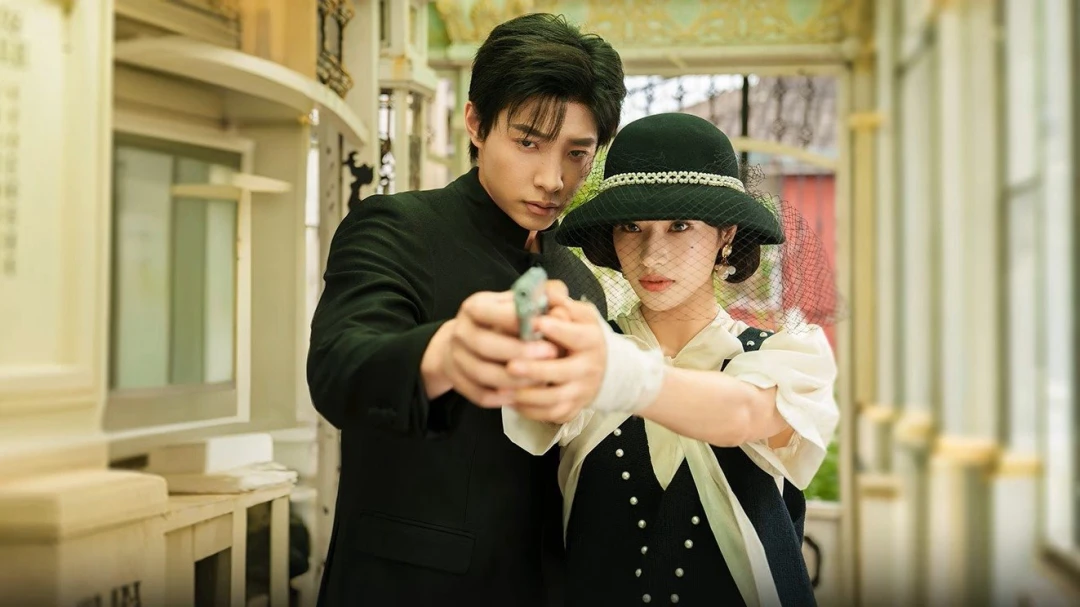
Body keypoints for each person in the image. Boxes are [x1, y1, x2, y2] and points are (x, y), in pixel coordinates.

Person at [306, 13, 626, 606]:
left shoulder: (581, 281)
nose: (553, 179)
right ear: (476, 123)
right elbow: (338, 369)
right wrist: (445, 354)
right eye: (528, 142)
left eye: (577, 153)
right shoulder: (397, 228)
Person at [502, 112, 840, 606]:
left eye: (680, 226)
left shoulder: (785, 360)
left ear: (726, 234)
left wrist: (619, 374)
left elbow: (743, 413)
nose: (651, 254)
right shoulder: (577, 351)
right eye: (631, 227)